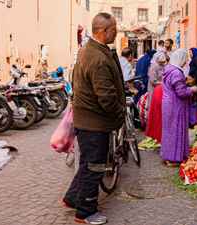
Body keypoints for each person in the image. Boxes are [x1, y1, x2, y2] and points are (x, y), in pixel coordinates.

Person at [63, 12, 125, 224]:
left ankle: (72, 198)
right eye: (114, 29)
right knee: (95, 166)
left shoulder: (91, 50)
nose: (116, 32)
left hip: (88, 120)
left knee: (87, 164)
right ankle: (86, 212)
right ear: (104, 31)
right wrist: (120, 114)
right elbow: (106, 97)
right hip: (94, 124)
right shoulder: (97, 57)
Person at [161, 49, 197, 167]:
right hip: (175, 105)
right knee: (176, 130)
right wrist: (192, 89)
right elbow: (181, 92)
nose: (186, 61)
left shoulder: (168, 69)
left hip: (168, 103)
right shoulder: (176, 73)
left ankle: (167, 156)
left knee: (168, 131)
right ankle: (174, 158)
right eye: (185, 58)